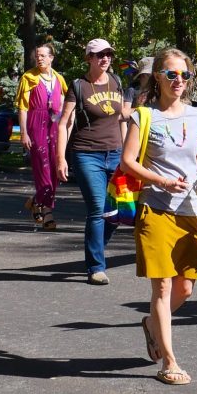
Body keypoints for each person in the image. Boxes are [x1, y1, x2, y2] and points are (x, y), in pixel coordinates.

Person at [122, 48, 197, 386]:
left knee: (186, 288)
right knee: (163, 287)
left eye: (184, 75)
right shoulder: (143, 116)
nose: (178, 81)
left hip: (190, 210)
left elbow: (194, 157)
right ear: (158, 78)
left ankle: (151, 325)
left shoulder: (195, 115)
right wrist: (161, 180)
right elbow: (128, 162)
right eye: (171, 74)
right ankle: (169, 360)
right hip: (156, 208)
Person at [57, 38, 128, 285]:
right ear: (89, 58)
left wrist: (129, 153)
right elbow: (65, 123)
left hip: (116, 154)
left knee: (117, 212)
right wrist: (60, 158)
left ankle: (94, 246)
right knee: (98, 209)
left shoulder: (117, 82)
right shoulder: (79, 86)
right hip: (87, 154)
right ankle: (96, 267)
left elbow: (122, 119)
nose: (105, 59)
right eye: (100, 55)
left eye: (108, 54)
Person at [16, 43, 69, 230]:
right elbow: (22, 107)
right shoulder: (29, 77)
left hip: (54, 126)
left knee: (55, 168)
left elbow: (64, 105)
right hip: (36, 124)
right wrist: (23, 133)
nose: (39, 58)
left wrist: (66, 127)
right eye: (37, 55)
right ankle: (47, 211)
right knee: (43, 168)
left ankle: (37, 200)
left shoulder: (59, 79)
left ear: (51, 58)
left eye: (43, 55)